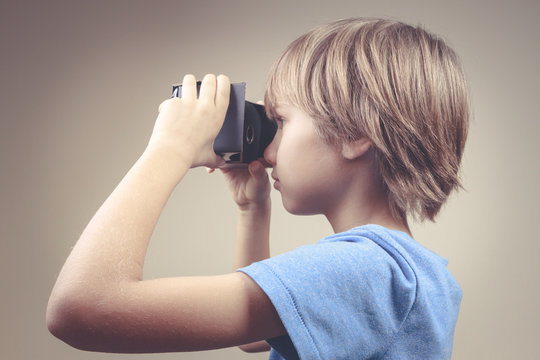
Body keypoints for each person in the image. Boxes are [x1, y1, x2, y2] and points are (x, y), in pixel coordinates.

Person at [47, 18, 469, 359]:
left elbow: (82, 309)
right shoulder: (411, 272)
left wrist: (169, 149)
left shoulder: (362, 268)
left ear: (355, 134)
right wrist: (254, 212)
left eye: (281, 121)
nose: (267, 149)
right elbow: (257, 336)